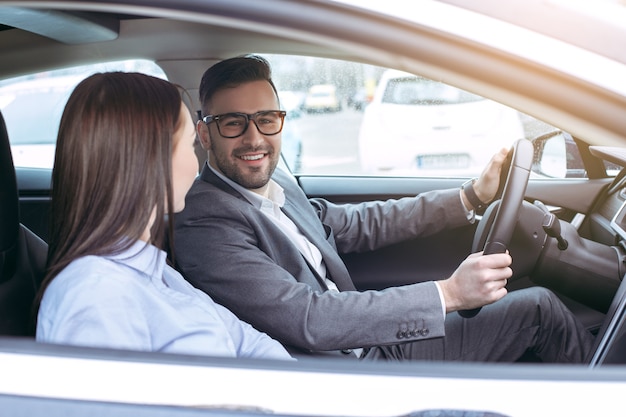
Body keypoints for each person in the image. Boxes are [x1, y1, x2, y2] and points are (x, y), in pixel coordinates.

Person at [174, 55, 594, 362]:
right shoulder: (204, 222)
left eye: (266, 119)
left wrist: (471, 196)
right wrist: (448, 293)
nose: (254, 139)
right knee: (539, 311)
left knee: (538, 306)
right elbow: (308, 318)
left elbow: (359, 224)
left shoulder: (275, 182)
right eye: (233, 123)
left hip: (370, 342)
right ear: (204, 134)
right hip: (344, 373)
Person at [35, 72, 292, 361]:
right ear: (150, 157)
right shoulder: (96, 296)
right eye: (189, 144)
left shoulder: (156, 270)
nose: (196, 164)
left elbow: (250, 342)